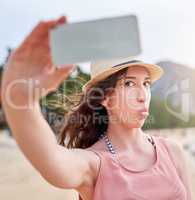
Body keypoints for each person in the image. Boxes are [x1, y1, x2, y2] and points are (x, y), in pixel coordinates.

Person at [1, 16, 192, 200]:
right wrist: (20, 98)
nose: (143, 95)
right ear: (105, 99)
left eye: (146, 83)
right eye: (129, 84)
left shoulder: (172, 151)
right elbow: (50, 158)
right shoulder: (94, 164)